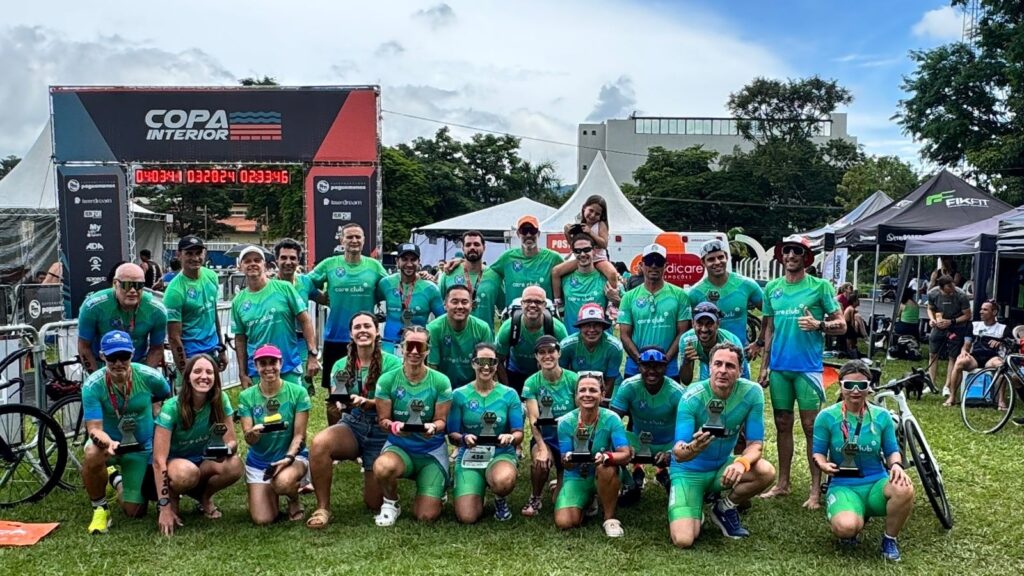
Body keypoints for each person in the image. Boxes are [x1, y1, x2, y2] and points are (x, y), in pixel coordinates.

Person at [757, 235, 845, 508]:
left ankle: (815, 491)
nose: (791, 255)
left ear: (806, 257)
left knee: (811, 427)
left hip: (807, 369)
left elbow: (841, 324)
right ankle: (783, 483)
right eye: (787, 251)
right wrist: (764, 365)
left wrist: (819, 325)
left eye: (797, 251)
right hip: (780, 368)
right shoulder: (772, 288)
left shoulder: (820, 287)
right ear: (781, 256)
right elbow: (769, 328)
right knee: (783, 424)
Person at [670, 343, 776, 548]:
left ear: (740, 370)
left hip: (721, 467)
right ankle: (693, 504)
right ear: (709, 367)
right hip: (688, 471)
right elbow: (678, 452)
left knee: (766, 471)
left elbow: (755, 444)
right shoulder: (692, 396)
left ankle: (724, 508)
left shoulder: (752, 393)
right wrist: (693, 448)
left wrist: (741, 463)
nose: (722, 370)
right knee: (684, 540)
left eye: (730, 366)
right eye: (717, 364)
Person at [307, 313, 402, 529]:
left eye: (367, 326)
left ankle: (388, 483)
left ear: (377, 331)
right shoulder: (341, 364)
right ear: (351, 333)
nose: (362, 330)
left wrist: (369, 402)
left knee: (373, 503)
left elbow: (396, 401)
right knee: (320, 443)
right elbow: (337, 393)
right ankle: (323, 507)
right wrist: (340, 402)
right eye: (357, 327)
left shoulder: (394, 363)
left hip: (382, 427)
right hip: (353, 423)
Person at [812, 360, 913, 562]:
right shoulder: (826, 417)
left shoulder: (882, 416)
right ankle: (854, 517)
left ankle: (889, 539)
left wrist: (896, 465)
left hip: (876, 482)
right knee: (846, 528)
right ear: (841, 385)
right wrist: (822, 464)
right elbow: (818, 453)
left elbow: (892, 450)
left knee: (904, 488)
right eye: (849, 385)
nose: (855, 390)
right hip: (843, 484)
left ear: (870, 387)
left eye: (862, 385)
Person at [82, 331, 172, 534]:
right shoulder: (92, 386)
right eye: (112, 358)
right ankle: (100, 508)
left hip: (140, 448)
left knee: (134, 511)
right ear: (102, 356)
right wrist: (108, 443)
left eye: (124, 357)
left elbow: (167, 400)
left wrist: (158, 414)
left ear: (132, 354)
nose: (118, 363)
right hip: (110, 446)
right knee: (92, 452)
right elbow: (94, 428)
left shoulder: (151, 377)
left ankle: (117, 480)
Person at [151, 354, 243, 536]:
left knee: (234, 466)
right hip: (176, 464)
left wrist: (224, 449)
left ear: (216, 377)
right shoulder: (171, 408)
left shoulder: (220, 399)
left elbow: (232, 443)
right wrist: (164, 507)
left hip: (204, 459)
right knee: (186, 473)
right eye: (198, 371)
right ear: (187, 377)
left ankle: (204, 497)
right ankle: (171, 498)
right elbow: (158, 461)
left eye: (209, 372)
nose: (204, 376)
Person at [373, 326, 453, 526]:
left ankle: (436, 487)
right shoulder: (388, 379)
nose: (415, 352)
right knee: (383, 467)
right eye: (410, 346)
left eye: (420, 346)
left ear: (428, 350)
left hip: (430, 450)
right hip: (400, 447)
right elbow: (383, 420)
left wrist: (433, 428)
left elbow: (442, 421)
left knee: (426, 516)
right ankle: (390, 503)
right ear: (401, 347)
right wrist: (394, 426)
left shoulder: (441, 381)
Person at [447, 343, 524, 523]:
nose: (486, 366)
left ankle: (499, 497)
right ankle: (475, 488)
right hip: (470, 456)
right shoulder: (459, 395)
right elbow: (452, 435)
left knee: (503, 481)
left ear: (497, 364)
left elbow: (519, 432)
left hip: (500, 454)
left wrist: (511, 437)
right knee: (467, 517)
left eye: (491, 361)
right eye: (481, 361)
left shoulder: (509, 394)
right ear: (473, 363)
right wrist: (464, 438)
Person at [308, 223, 387, 393]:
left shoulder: (374, 266)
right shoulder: (329, 264)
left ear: (364, 240)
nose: (354, 240)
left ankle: (367, 419)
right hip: (336, 337)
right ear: (342, 240)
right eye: (349, 237)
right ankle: (338, 421)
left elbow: (391, 287)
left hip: (366, 338)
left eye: (358, 237)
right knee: (336, 392)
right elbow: (305, 284)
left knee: (371, 387)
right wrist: (321, 298)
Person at [237, 344, 311, 525]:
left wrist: (288, 458)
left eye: (273, 362)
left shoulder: (298, 393)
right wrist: (252, 434)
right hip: (259, 462)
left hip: (291, 458)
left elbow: (299, 435)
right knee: (263, 519)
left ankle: (293, 498)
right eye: (263, 363)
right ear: (256, 366)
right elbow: (248, 437)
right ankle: (269, 489)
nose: (268, 367)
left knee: (283, 483)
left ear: (281, 363)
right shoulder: (246, 396)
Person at [231, 246, 320, 390]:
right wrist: (242, 373)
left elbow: (305, 320)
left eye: (257, 260)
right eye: (247, 261)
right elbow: (240, 338)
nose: (252, 264)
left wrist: (312, 354)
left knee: (293, 410)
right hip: (258, 369)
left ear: (264, 265)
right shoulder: (238, 301)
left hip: (288, 365)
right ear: (240, 266)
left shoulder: (284, 288)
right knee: (263, 411)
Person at [554, 372, 632, 537]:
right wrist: (568, 459)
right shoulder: (565, 422)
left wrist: (607, 457)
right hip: (576, 476)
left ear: (602, 395)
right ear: (576, 396)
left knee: (606, 468)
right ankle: (588, 500)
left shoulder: (612, 419)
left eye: (593, 390)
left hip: (603, 473)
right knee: (565, 522)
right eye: (582, 390)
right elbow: (565, 463)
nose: (587, 394)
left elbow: (625, 454)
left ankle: (610, 518)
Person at [610, 347, 684, 503]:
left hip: (668, 443)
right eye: (646, 366)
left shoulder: (676, 392)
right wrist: (623, 446)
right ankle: (629, 483)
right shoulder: (629, 386)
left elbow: (688, 428)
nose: (652, 371)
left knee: (691, 448)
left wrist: (672, 452)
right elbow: (613, 421)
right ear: (639, 367)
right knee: (607, 439)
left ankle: (675, 480)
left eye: (657, 366)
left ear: (665, 367)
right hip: (637, 441)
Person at [521, 335, 579, 517]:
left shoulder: (573, 379)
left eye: (551, 351)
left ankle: (561, 483)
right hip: (546, 437)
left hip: (570, 440)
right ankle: (535, 497)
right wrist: (542, 447)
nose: (547, 356)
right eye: (542, 352)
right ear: (536, 357)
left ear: (559, 353)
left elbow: (580, 415)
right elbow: (533, 419)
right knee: (541, 459)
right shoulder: (531, 383)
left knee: (559, 502)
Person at [618, 243, 691, 380]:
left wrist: (664, 360)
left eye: (658, 262)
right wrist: (641, 360)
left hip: (669, 367)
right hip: (636, 367)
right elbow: (624, 335)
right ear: (641, 265)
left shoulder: (680, 295)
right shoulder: (629, 297)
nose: (653, 266)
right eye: (649, 261)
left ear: (666, 265)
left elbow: (682, 332)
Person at [78, 263, 167, 374]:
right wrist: (96, 376)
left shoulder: (156, 310)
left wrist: (144, 377)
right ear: (115, 283)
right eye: (128, 285)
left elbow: (157, 348)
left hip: (137, 365)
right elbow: (84, 346)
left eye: (139, 285)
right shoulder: (93, 306)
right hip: (102, 365)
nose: (133, 290)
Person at [685, 239, 764, 356]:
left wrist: (759, 342)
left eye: (720, 257)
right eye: (711, 259)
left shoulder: (746, 285)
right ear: (703, 262)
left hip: (740, 357)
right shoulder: (694, 293)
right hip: (709, 361)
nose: (717, 262)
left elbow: (771, 315)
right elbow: (685, 329)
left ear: (727, 257)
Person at [164, 236, 226, 380]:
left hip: (212, 352)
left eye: (198, 253)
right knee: (190, 401)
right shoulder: (175, 291)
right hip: (191, 355)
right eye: (189, 254)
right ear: (178, 255)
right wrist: (185, 369)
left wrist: (222, 349)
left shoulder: (211, 276)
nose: (195, 258)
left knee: (214, 399)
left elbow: (214, 315)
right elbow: (174, 337)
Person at [551, 195, 620, 315]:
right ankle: (558, 302)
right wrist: (567, 233)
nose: (593, 215)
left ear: (601, 215)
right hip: (581, 259)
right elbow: (573, 246)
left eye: (597, 214)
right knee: (556, 271)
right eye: (591, 211)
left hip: (598, 258)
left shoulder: (601, 225)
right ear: (584, 209)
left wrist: (591, 233)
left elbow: (604, 244)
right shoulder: (579, 224)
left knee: (612, 273)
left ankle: (610, 304)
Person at [495, 285, 568, 395]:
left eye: (538, 302)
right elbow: (498, 360)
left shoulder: (556, 328)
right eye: (528, 301)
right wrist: (508, 389)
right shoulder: (509, 327)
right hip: (515, 373)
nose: (532, 305)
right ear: (522, 304)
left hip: (546, 375)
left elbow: (566, 359)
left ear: (544, 305)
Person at [377, 243, 444, 353]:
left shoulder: (430, 289)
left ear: (419, 262)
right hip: (389, 345)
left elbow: (442, 320)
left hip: (417, 347)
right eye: (404, 259)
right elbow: (369, 302)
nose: (409, 264)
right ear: (397, 261)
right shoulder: (386, 283)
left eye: (413, 260)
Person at [488, 215, 563, 308]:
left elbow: (567, 278)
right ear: (518, 234)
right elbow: (490, 274)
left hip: (543, 315)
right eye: (524, 231)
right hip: (514, 314)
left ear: (538, 234)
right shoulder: (507, 258)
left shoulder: (553, 258)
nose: (528, 235)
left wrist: (559, 300)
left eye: (532, 231)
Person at [427, 284, 494, 388]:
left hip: (474, 387)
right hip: (443, 387)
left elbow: (487, 366)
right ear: (445, 305)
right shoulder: (433, 329)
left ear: (471, 306)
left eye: (464, 302)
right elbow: (433, 368)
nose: (460, 306)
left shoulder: (482, 328)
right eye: (454, 302)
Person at [946, 300, 1011, 407]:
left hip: (992, 357)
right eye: (981, 309)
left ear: (994, 312)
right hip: (975, 357)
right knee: (959, 363)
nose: (981, 312)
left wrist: (1000, 342)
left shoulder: (1003, 328)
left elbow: (1010, 345)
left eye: (985, 310)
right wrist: (964, 351)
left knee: (1001, 366)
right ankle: (952, 396)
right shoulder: (974, 325)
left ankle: (1001, 400)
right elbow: (967, 344)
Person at [274, 238, 324, 372]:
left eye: (292, 258)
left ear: (298, 261)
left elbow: (326, 300)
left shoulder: (305, 282)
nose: (288, 262)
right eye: (283, 258)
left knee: (304, 384)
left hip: (301, 341)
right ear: (276, 260)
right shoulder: (269, 285)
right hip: (277, 341)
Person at [437, 230, 504, 327]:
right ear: (463, 248)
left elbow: (504, 307)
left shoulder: (495, 276)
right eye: (468, 245)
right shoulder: (449, 273)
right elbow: (438, 306)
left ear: (484, 248)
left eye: (476, 244)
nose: (472, 247)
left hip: (484, 338)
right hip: (453, 339)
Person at [559, 303, 623, 400]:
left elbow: (611, 379)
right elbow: (562, 376)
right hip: (577, 386)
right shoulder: (567, 346)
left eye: (596, 325)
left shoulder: (614, 347)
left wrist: (604, 402)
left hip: (609, 384)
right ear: (580, 327)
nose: (592, 330)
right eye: (587, 325)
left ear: (603, 326)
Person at [557, 234, 620, 332]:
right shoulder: (564, 278)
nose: (582, 254)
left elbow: (627, 305)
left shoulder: (606, 277)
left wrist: (617, 300)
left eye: (586, 250)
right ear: (573, 253)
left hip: (600, 339)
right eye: (578, 251)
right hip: (572, 340)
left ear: (594, 250)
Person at [679, 302, 748, 386]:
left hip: (731, 366)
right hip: (706, 362)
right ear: (693, 323)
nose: (704, 329)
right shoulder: (687, 341)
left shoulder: (731, 343)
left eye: (709, 324)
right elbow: (685, 381)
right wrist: (686, 362)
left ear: (718, 324)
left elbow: (738, 379)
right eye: (700, 323)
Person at [926, 274, 972, 398]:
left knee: (952, 357)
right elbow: (930, 308)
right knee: (932, 354)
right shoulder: (933, 294)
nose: (953, 287)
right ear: (941, 287)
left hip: (956, 326)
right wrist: (932, 320)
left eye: (953, 284)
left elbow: (967, 315)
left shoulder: (961, 295)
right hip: (939, 325)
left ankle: (947, 386)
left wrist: (951, 321)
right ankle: (931, 384)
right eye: (949, 285)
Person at [842, 294, 868, 359]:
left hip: (847, 324)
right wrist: (854, 329)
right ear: (854, 301)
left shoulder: (849, 308)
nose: (859, 301)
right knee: (851, 339)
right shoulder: (851, 309)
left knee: (851, 339)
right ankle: (852, 353)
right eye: (857, 300)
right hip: (848, 325)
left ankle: (853, 351)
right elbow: (852, 320)